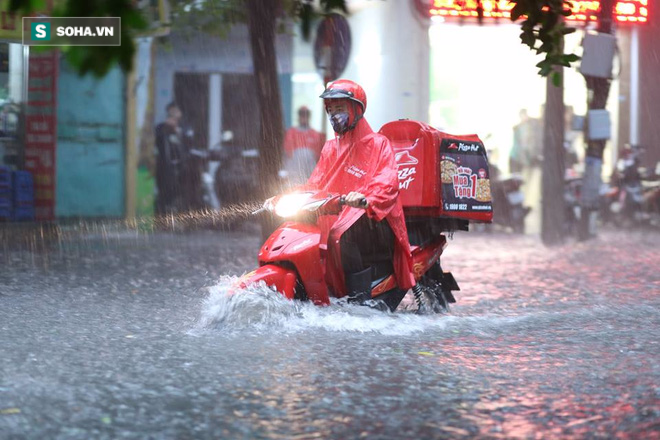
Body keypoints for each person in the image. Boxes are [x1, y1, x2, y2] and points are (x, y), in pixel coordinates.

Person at [301, 79, 415, 304]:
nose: (335, 115)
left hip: (374, 220)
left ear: (356, 109)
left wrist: (367, 198)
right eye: (331, 110)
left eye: (340, 109)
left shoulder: (378, 144)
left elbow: (387, 182)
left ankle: (358, 302)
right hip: (339, 213)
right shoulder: (330, 147)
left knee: (341, 235)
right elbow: (315, 184)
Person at [154, 102, 192, 214]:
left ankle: (181, 212)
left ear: (180, 113)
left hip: (183, 166)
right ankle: (163, 213)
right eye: (171, 112)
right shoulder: (161, 127)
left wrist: (177, 131)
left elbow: (189, 143)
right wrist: (166, 128)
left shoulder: (185, 127)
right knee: (165, 191)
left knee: (181, 191)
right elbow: (156, 141)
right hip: (165, 165)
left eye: (176, 111)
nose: (174, 114)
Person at [282, 106, 325, 186]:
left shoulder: (316, 135)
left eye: (306, 115)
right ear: (299, 116)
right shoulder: (291, 133)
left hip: (309, 175)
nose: (304, 117)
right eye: (302, 115)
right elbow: (288, 154)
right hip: (294, 175)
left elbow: (318, 157)